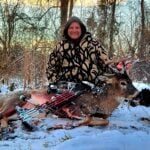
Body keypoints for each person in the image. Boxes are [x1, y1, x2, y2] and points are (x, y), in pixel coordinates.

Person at [46, 16, 113, 86]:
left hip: (91, 89)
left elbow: (106, 63)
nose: (74, 30)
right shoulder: (60, 46)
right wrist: (56, 84)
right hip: (66, 90)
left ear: (82, 29)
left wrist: (116, 66)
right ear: (67, 30)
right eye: (71, 28)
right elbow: (50, 68)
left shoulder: (93, 44)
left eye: (77, 28)